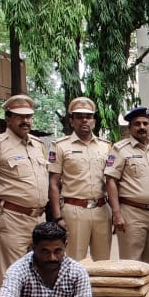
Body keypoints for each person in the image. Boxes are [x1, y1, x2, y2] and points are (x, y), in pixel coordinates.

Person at [0, 95, 51, 282]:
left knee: (38, 274)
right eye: (20, 117)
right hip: (12, 218)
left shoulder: (37, 145)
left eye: (28, 117)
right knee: (13, 274)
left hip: (39, 218)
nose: (25, 121)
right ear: (8, 118)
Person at [104, 106, 149, 275]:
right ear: (130, 127)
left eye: (145, 123)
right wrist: (116, 213)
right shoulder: (120, 149)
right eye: (137, 124)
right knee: (131, 263)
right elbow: (110, 180)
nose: (142, 127)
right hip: (132, 213)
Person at [48, 97, 113, 261]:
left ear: (94, 121)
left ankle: (98, 288)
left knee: (104, 263)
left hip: (102, 209)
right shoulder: (60, 146)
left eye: (89, 116)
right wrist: (57, 217)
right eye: (79, 116)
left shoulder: (106, 146)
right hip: (74, 210)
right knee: (73, 261)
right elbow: (53, 184)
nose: (84, 120)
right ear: (71, 121)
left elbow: (112, 180)